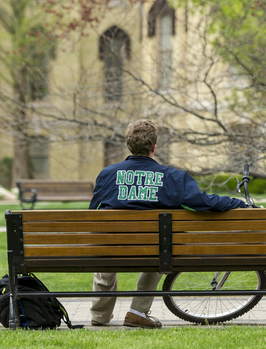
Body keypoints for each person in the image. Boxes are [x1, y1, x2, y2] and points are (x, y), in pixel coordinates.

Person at [89, 119, 247, 328]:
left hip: (114, 248)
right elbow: (203, 202)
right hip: (153, 249)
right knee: (160, 248)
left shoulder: (107, 174)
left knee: (107, 251)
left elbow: (93, 213)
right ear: (154, 147)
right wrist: (238, 203)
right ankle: (137, 312)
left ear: (129, 145)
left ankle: (100, 316)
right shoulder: (173, 177)